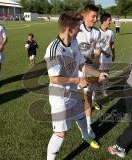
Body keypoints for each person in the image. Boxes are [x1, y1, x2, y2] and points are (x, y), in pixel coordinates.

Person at [44, 11, 108, 160]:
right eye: (78, 26)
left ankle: (86, 137)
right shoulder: (53, 50)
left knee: (80, 116)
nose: (80, 29)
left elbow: (81, 65)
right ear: (68, 27)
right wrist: (77, 81)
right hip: (59, 96)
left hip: (72, 92)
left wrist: (97, 74)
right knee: (61, 134)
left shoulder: (73, 43)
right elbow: (53, 78)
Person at [76, 4, 101, 138]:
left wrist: (95, 64)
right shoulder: (76, 29)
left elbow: (97, 51)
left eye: (97, 16)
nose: (95, 19)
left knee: (88, 96)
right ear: (85, 16)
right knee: (72, 97)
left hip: (89, 68)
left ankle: (87, 124)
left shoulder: (97, 32)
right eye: (93, 16)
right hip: (74, 69)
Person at [97, 12, 115, 96]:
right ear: (104, 21)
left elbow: (112, 44)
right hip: (99, 57)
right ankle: (98, 89)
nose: (110, 22)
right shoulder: (96, 32)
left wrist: (113, 54)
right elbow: (95, 46)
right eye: (109, 20)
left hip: (108, 57)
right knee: (100, 74)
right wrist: (104, 53)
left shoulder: (110, 32)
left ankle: (103, 89)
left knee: (107, 74)